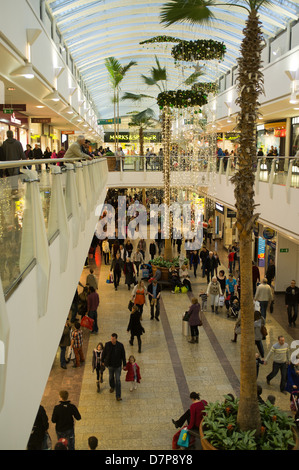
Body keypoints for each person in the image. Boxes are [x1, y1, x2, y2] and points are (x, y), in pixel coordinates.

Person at [101, 333, 127, 401]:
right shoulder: (107, 344)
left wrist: (124, 365)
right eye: (111, 339)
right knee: (111, 377)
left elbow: (123, 356)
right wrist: (102, 361)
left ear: (116, 339)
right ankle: (112, 386)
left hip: (118, 366)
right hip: (110, 365)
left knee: (118, 380)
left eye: (113, 339)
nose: (112, 340)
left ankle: (118, 396)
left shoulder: (120, 345)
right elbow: (104, 353)